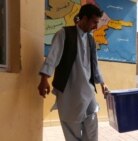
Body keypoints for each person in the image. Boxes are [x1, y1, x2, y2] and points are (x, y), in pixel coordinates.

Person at [38, 4, 108, 141]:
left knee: (92, 132)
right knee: (72, 135)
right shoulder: (64, 34)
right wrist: (44, 79)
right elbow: (53, 57)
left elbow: (95, 64)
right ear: (85, 18)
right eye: (94, 22)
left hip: (88, 93)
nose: (95, 26)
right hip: (69, 94)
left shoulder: (91, 40)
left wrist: (102, 84)